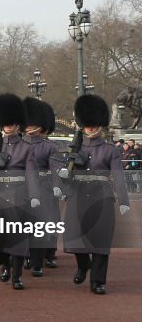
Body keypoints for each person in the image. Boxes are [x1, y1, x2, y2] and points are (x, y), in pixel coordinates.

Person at [60, 94, 130, 294]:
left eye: (94, 124)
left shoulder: (110, 150)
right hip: (78, 196)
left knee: (100, 240)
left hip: (101, 196)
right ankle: (83, 265)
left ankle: (98, 281)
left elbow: (118, 175)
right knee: (75, 237)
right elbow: (66, 174)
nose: (91, 127)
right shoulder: (74, 147)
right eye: (87, 124)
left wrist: (123, 199)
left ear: (100, 125)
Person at [0, 94, 40, 290]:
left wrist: (34, 195)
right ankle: (4, 265)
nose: (8, 126)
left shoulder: (26, 148)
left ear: (17, 124)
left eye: (11, 123)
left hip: (18, 194)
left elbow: (31, 173)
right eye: (5, 123)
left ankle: (17, 275)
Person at [22, 97, 61, 277]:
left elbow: (54, 169)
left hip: (44, 186)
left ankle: (48, 253)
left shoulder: (49, 147)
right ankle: (29, 254)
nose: (29, 127)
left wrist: (57, 186)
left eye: (32, 124)